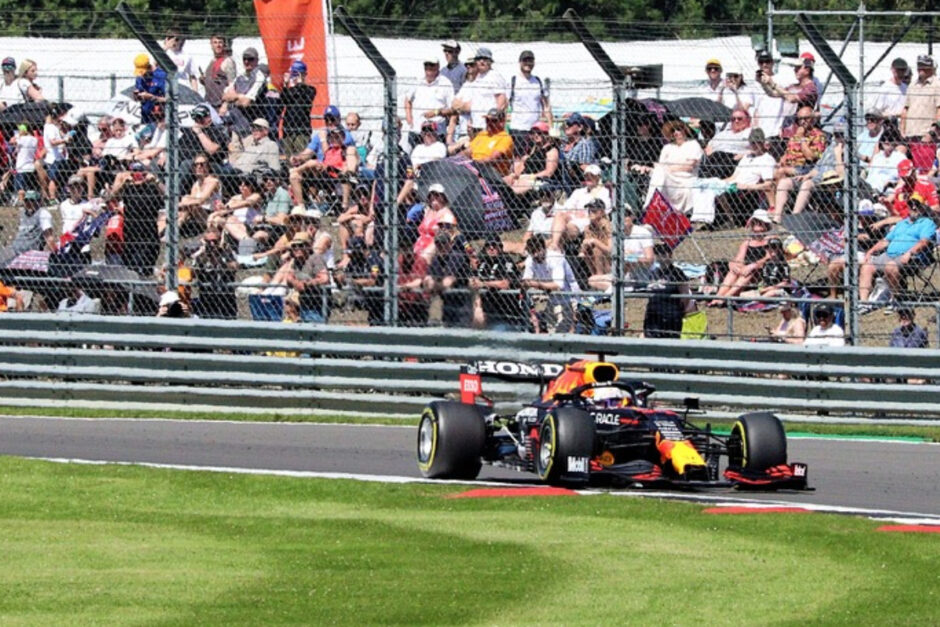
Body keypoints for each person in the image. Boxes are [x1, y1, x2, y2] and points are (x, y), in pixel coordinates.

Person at [858, 197, 937, 306]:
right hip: (890, 254)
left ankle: (895, 299)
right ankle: (864, 302)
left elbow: (923, 242)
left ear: (922, 208)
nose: (913, 208)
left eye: (917, 206)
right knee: (867, 266)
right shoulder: (902, 223)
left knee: (890, 266)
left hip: (912, 258)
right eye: (911, 206)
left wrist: (909, 253)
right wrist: (870, 251)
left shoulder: (927, 223)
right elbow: (886, 241)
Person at [708, 209, 774, 307]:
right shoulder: (747, 242)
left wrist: (753, 266)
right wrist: (734, 265)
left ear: (766, 225)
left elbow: (770, 257)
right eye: (755, 223)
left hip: (762, 270)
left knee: (749, 272)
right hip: (745, 269)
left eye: (760, 223)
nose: (757, 227)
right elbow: (739, 259)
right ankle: (718, 297)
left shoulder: (770, 240)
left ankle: (727, 297)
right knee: (733, 272)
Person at [521, 235, 579, 334]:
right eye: (532, 252)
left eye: (537, 251)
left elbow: (558, 285)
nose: (535, 255)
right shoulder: (531, 259)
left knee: (563, 330)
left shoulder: (555, 258)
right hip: (550, 297)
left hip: (568, 296)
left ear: (544, 248)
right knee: (552, 331)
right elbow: (526, 280)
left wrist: (536, 284)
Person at [644, 120, 703, 215]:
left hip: (686, 179)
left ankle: (649, 206)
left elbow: (689, 167)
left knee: (659, 172)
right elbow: (661, 166)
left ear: (684, 130)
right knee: (658, 172)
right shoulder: (667, 147)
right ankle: (650, 206)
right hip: (669, 179)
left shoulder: (693, 144)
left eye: (678, 129)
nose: (676, 132)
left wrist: (668, 168)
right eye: (673, 131)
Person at [270, 231, 331, 323]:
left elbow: (325, 278)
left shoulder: (315, 258)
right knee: (287, 301)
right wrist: (296, 283)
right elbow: (289, 277)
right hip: (303, 301)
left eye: (300, 245)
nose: (296, 249)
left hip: (317, 302)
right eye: (294, 246)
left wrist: (307, 284)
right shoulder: (295, 261)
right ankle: (297, 321)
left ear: (308, 246)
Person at [547, 164, 610, 252]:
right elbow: (566, 208)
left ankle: (553, 245)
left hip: (587, 222)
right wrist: (575, 214)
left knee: (558, 233)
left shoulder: (603, 192)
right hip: (573, 218)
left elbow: (603, 212)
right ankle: (554, 245)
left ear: (598, 177)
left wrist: (580, 214)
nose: (588, 178)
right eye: (586, 176)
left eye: (591, 175)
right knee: (559, 214)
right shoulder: (579, 192)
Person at [470, 235, 522, 331]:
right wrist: (478, 307)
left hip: (506, 313)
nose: (491, 248)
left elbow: (505, 284)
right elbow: (474, 283)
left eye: (494, 245)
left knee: (497, 331)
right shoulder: (482, 263)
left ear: (500, 247)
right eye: (488, 246)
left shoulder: (506, 260)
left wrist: (484, 284)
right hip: (486, 311)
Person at [642, 244, 695, 339]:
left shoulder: (676, 273)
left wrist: (681, 311)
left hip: (671, 313)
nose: (660, 256)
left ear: (670, 255)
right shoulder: (653, 273)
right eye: (657, 253)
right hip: (653, 314)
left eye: (663, 253)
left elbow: (685, 294)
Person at [508, 50, 552, 150]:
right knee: (518, 159)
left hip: (535, 129)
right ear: (520, 62)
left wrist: (550, 127)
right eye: (525, 60)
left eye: (530, 61)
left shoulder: (538, 82)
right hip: (518, 129)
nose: (528, 63)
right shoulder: (513, 81)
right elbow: (504, 105)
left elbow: (546, 106)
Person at [0, 190, 55, 268]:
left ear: (38, 202)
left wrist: (54, 255)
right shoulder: (23, 213)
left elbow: (49, 237)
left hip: (29, 251)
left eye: (32, 201)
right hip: (14, 248)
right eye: (27, 201)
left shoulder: (42, 213)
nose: (29, 204)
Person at [190, 229, 238, 319]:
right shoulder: (201, 255)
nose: (212, 244)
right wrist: (202, 256)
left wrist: (220, 258)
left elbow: (234, 267)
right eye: (209, 241)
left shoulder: (227, 251)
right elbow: (192, 274)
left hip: (226, 300)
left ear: (220, 240)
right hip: (207, 300)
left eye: (215, 241)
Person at [404, 57, 453, 141]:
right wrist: (409, 118)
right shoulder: (418, 81)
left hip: (437, 132)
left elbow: (452, 109)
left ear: (438, 66)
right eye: (426, 65)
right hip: (416, 130)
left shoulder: (445, 83)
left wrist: (436, 112)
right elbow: (407, 100)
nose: (429, 68)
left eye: (432, 65)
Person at [504, 121, 559, 196]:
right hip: (525, 177)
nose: (535, 135)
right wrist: (513, 176)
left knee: (512, 190)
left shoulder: (551, 151)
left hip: (540, 180)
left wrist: (531, 176)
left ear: (546, 134)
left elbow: (549, 172)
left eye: (539, 132)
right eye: (532, 133)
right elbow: (521, 167)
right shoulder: (534, 149)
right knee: (505, 182)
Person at [279, 60, 317, 158]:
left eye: (297, 73)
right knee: (289, 158)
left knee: (301, 157)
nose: (295, 76)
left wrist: (301, 82)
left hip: (301, 130)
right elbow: (283, 100)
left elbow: (305, 98)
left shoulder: (310, 90)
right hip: (288, 130)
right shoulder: (290, 91)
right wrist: (285, 85)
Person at [900, 55, 940, 140]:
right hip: (909, 134)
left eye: (924, 66)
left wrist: (932, 132)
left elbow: (939, 110)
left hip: (926, 135)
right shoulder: (912, 85)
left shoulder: (937, 85)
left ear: (931, 68)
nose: (921, 68)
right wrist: (902, 131)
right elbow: (905, 109)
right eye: (919, 65)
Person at [466, 107, 513, 175]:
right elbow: (468, 151)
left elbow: (492, 159)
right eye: (487, 120)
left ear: (502, 122)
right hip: (473, 169)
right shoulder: (482, 134)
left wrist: (472, 163)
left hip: (491, 175)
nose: (489, 123)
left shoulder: (505, 138)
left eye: (493, 120)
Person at [202, 33, 236, 109]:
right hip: (209, 103)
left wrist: (225, 105)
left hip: (221, 105)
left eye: (220, 42)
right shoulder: (212, 61)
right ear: (211, 45)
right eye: (215, 42)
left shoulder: (228, 61)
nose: (218, 45)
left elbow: (232, 85)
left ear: (224, 44)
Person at [132, 54, 167, 125]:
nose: (142, 75)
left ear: (148, 67)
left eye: (143, 72)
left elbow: (170, 99)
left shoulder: (161, 75)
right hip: (145, 116)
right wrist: (137, 97)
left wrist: (152, 97)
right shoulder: (139, 77)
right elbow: (139, 95)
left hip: (160, 117)